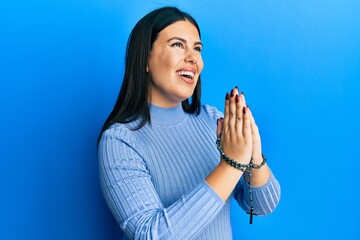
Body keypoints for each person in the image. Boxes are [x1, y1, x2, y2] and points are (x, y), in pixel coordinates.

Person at [98, 6, 280, 240]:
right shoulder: (120, 140)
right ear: (144, 58)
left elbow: (262, 206)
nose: (193, 58)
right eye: (177, 45)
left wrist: (253, 155)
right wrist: (231, 165)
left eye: (197, 48)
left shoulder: (213, 120)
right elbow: (151, 235)